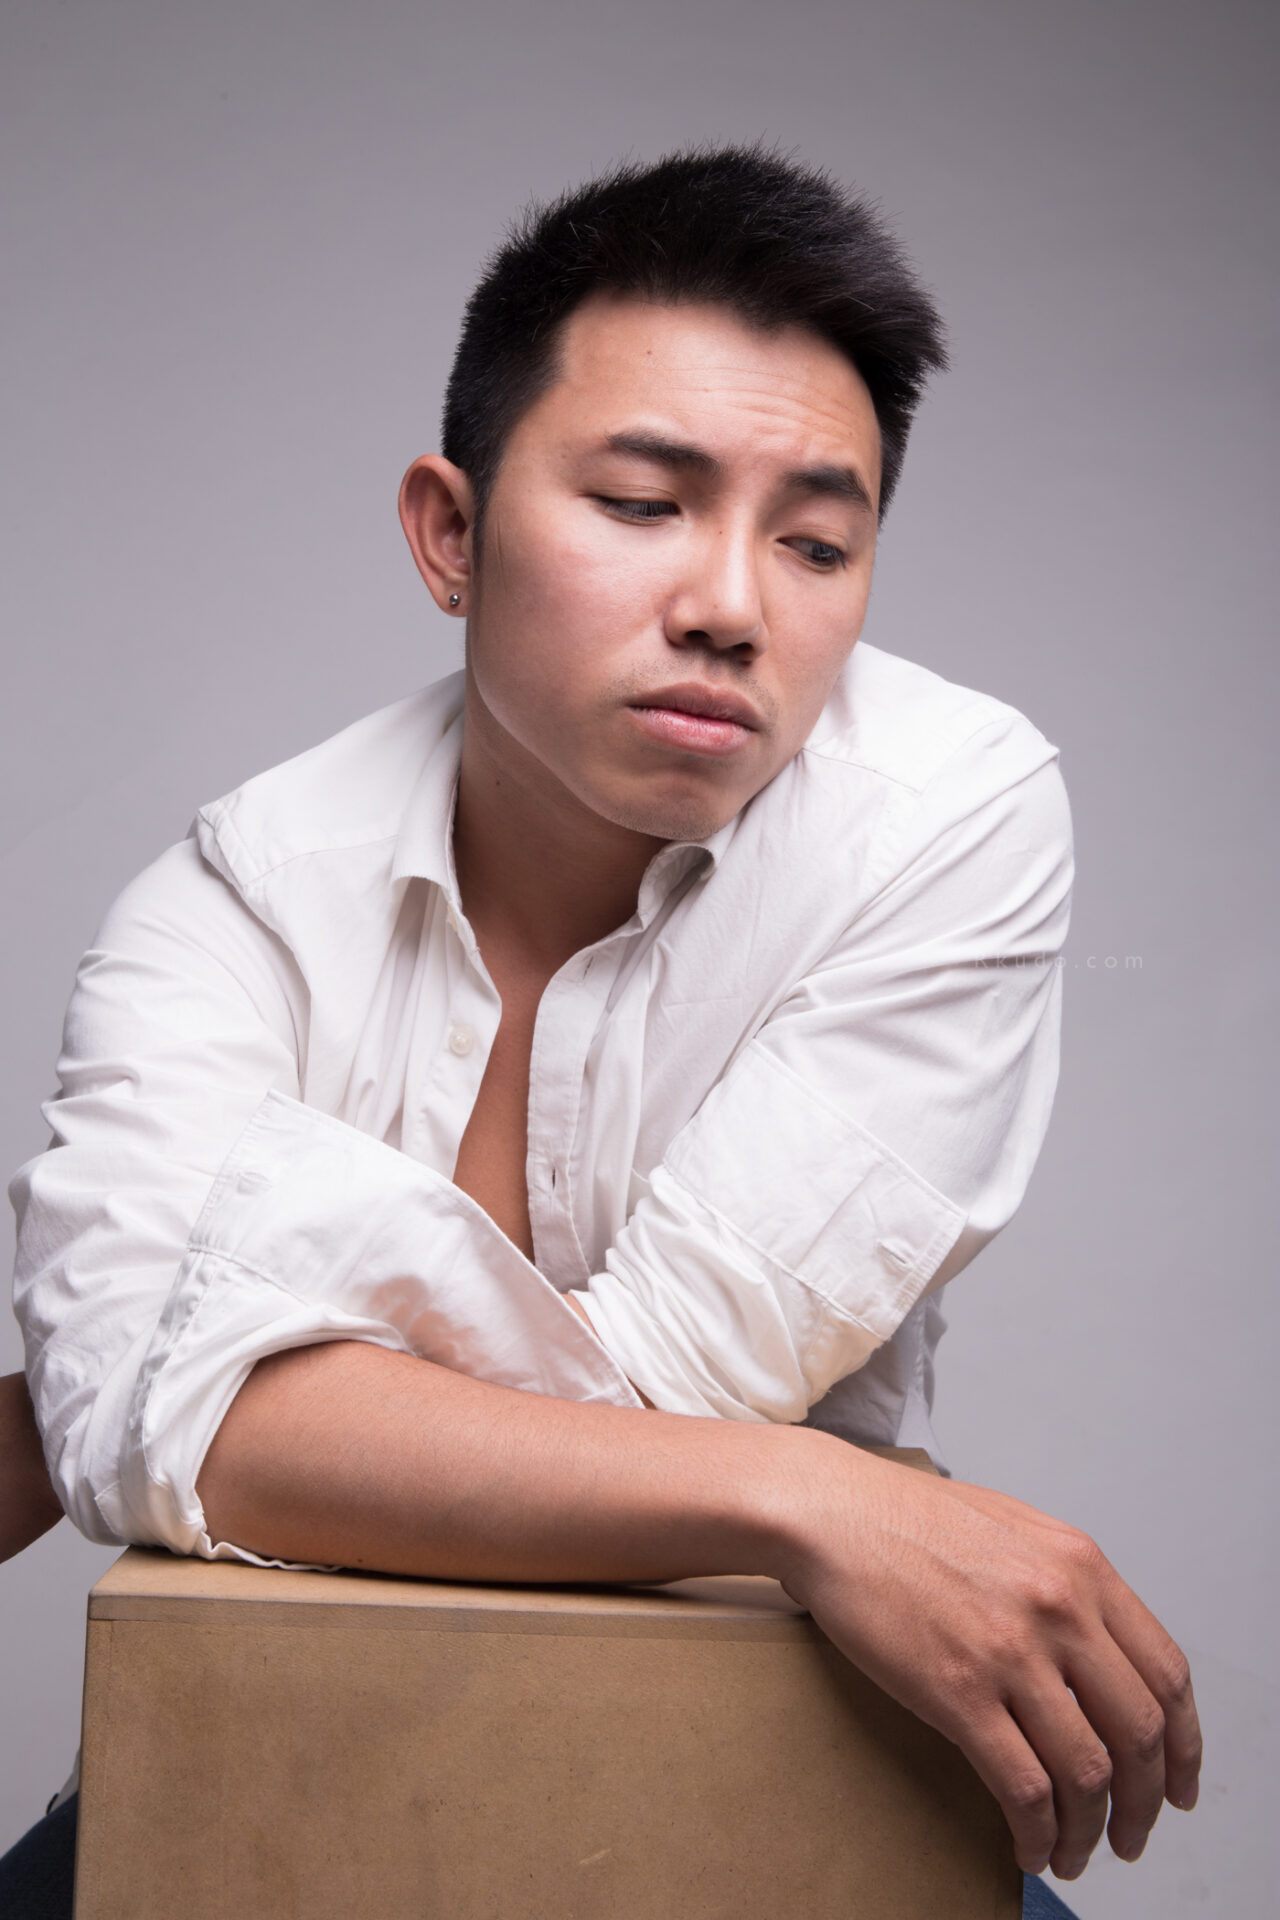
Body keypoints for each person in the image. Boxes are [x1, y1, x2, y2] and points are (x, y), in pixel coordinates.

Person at [2, 146, 1199, 1918]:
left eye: (817, 542)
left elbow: (651, 1388)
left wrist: (221, 1384)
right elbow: (144, 1420)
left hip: (766, 1767)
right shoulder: (236, 903)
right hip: (288, 1747)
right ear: (451, 533)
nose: (734, 605)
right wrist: (817, 1502)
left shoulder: (946, 812)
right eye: (644, 503)